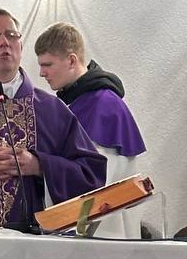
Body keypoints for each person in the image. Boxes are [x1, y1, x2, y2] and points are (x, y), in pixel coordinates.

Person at [0, 8, 107, 231]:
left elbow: (91, 174)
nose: (4, 42)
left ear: (21, 46)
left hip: (39, 245)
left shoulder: (53, 109)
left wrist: (41, 166)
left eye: (12, 35)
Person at [34, 22, 147, 236]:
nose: (42, 73)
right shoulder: (78, 102)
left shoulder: (102, 105)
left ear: (71, 60)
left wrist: (41, 166)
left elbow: (96, 181)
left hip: (102, 230)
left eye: (47, 64)